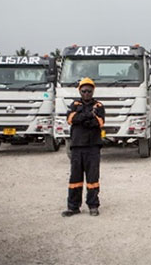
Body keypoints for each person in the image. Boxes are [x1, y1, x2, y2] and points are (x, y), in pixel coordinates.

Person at [61, 77, 105, 217]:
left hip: (93, 147)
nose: (87, 93)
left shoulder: (99, 106)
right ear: (80, 91)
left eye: (89, 91)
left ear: (93, 91)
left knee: (93, 178)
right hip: (77, 146)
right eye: (84, 90)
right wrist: (87, 116)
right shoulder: (74, 104)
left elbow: (99, 122)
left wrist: (82, 117)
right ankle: (73, 207)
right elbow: (70, 119)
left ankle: (93, 205)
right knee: (75, 178)